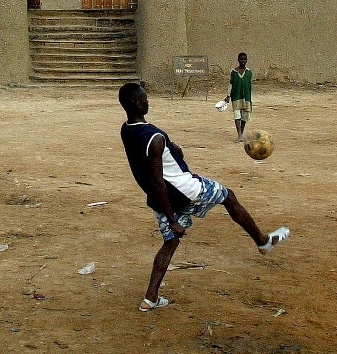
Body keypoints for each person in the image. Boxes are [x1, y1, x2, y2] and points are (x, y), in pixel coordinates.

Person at [118, 82, 289, 312]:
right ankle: (263, 242)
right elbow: (158, 179)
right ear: (138, 104)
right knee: (228, 196)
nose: (148, 102)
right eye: (145, 99)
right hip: (184, 191)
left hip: (158, 199)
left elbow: (149, 159)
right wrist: (173, 220)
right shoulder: (155, 137)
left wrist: (173, 149)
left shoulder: (127, 130)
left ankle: (151, 298)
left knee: (170, 243)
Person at [224, 52, 253, 142]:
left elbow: (249, 86)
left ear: (246, 60)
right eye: (241, 59)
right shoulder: (234, 72)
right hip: (236, 97)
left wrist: (249, 98)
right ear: (238, 60)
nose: (243, 61)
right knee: (237, 115)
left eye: (244, 59)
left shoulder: (249, 72)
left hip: (246, 97)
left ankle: (241, 133)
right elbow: (231, 84)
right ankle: (239, 134)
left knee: (244, 116)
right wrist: (228, 96)